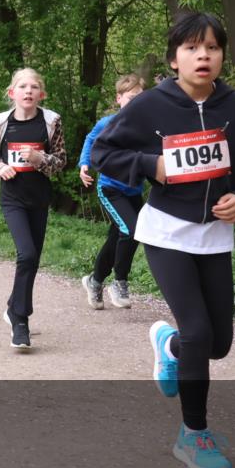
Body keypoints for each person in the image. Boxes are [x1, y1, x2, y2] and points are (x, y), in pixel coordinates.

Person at [92, 12, 235, 468]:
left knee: (218, 344)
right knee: (198, 331)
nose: (203, 56)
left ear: (222, 56)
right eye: (192, 48)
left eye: (212, 47)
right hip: (166, 231)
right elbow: (103, 153)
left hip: (214, 236)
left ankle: (169, 347)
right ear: (174, 59)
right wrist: (150, 165)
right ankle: (194, 434)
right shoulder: (150, 105)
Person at [0, 68, 67, 350]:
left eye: (34, 87)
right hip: (13, 198)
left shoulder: (52, 121)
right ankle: (20, 320)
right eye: (22, 86)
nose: (28, 91)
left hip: (39, 198)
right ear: (12, 93)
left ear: (42, 94)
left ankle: (12, 306)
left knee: (33, 259)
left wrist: (40, 159)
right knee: (26, 254)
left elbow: (61, 161)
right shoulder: (0, 122)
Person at [78, 74, 146, 309]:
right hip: (111, 188)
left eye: (140, 98)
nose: (136, 102)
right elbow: (90, 139)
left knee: (116, 237)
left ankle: (95, 281)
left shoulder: (147, 125)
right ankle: (119, 281)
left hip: (134, 190)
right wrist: (84, 164)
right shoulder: (108, 123)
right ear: (119, 98)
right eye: (131, 97)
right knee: (132, 231)